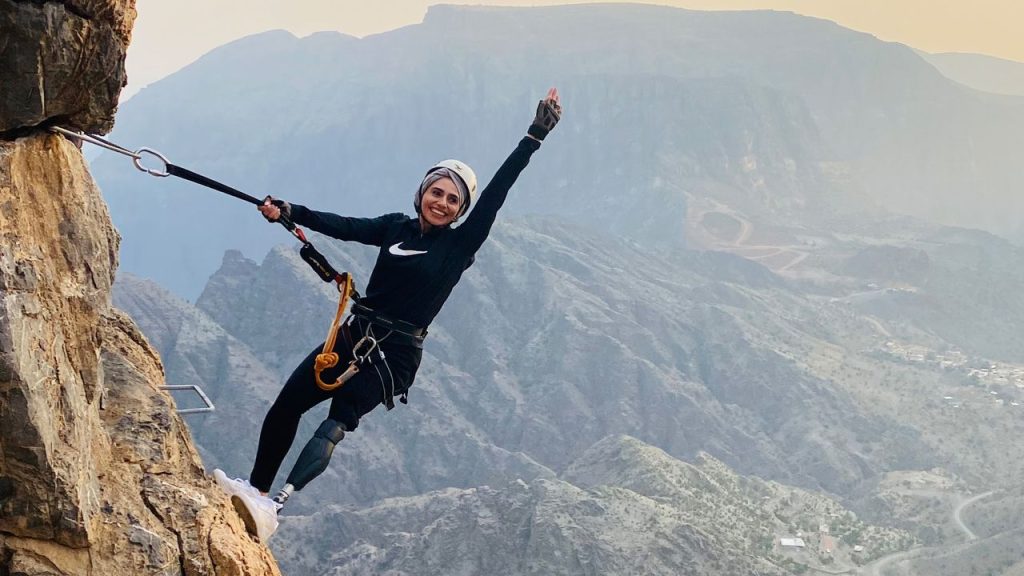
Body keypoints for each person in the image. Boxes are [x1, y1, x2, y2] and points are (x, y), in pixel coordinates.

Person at [213, 88, 562, 541]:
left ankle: (273, 508)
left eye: (452, 200)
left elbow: (497, 192)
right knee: (287, 405)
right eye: (436, 192)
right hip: (356, 333)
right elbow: (344, 225)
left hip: (394, 357)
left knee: (336, 421)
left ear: (461, 211)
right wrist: (289, 211)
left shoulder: (459, 245)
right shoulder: (395, 227)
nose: (442, 203)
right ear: (422, 193)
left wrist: (534, 136)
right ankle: (256, 490)